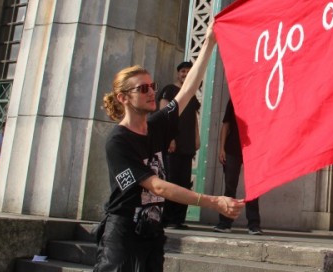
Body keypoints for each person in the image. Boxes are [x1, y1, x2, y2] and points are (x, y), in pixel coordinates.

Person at [95, 21, 243, 272]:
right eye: (143, 89)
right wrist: (214, 202)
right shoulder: (118, 141)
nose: (151, 92)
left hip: (152, 231)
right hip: (122, 234)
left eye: (152, 86)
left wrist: (209, 42)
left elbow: (187, 90)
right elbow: (157, 186)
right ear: (123, 98)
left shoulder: (157, 124)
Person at [159, 61, 201, 230]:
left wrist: (197, 138)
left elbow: (195, 119)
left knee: (184, 182)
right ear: (178, 74)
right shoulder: (169, 90)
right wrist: (169, 137)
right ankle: (167, 218)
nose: (185, 74)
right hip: (172, 145)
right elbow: (163, 113)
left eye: (188, 72)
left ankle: (178, 219)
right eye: (182, 71)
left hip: (187, 144)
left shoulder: (191, 94)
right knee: (171, 181)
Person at [213, 99, 263, 235]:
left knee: (253, 188)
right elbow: (226, 125)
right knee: (230, 186)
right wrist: (221, 148)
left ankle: (254, 224)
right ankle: (225, 223)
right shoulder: (234, 98)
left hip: (253, 149)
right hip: (232, 149)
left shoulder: (261, 98)